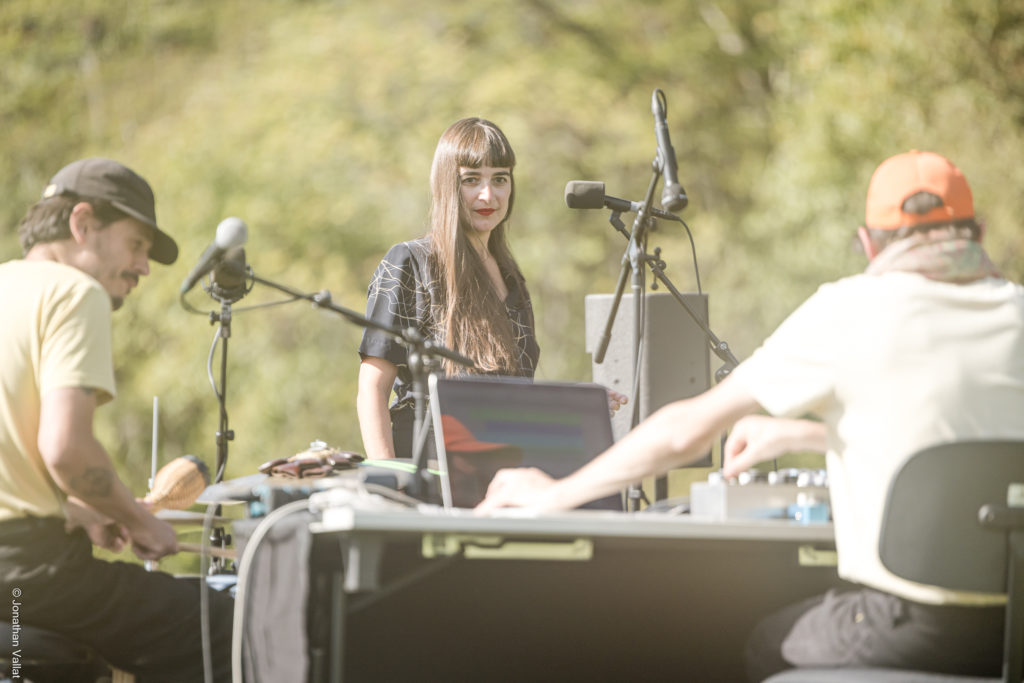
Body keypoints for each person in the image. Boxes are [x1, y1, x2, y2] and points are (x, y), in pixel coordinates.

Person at [477, 150, 1024, 680]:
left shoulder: (853, 309)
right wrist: (808, 433)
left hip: (909, 626)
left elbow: (684, 432)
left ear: (868, 244)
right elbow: (965, 447)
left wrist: (554, 496)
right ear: (974, 232)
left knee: (761, 640)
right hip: (1012, 627)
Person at [0, 158, 233, 682]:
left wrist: (80, 512)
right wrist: (138, 519)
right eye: (136, 244)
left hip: (20, 561)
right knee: (230, 626)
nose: (143, 267)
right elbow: (65, 449)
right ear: (82, 224)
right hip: (29, 574)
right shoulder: (72, 291)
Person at [356, 117, 540, 461]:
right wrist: (390, 479)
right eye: (471, 180)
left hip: (500, 476)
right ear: (447, 186)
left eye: (500, 178)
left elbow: (518, 398)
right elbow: (372, 387)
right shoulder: (410, 262)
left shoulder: (513, 279)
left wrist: (583, 405)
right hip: (426, 472)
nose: (489, 194)